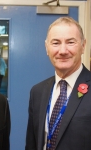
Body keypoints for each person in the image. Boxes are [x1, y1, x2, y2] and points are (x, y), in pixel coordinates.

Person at [25, 16, 91, 150]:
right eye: (55, 43)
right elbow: (32, 143)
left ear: (83, 46)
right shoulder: (37, 92)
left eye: (70, 42)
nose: (62, 51)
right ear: (46, 48)